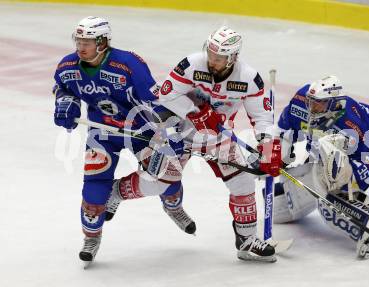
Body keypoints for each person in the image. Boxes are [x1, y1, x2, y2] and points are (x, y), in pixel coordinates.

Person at [53, 16, 194, 266]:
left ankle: (172, 207)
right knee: (94, 190)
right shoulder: (68, 66)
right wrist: (66, 103)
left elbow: (155, 101)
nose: (81, 47)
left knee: (169, 177)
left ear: (103, 42)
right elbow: (62, 87)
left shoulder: (129, 63)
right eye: (79, 41)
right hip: (103, 134)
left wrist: (170, 131)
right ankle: (92, 238)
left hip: (141, 130)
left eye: (87, 41)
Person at [153, 26, 282, 262]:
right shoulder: (192, 64)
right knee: (156, 182)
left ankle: (246, 241)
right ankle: (115, 194)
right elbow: (165, 93)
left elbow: (262, 118)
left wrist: (268, 147)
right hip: (179, 131)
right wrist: (194, 111)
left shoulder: (249, 78)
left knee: (243, 183)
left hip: (216, 136)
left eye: (219, 58)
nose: (212, 61)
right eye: (210, 54)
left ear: (233, 57)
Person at [273, 75, 369, 258]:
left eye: (319, 104)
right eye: (311, 101)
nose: (312, 108)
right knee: (277, 210)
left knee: (331, 191)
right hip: (330, 150)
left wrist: (344, 192)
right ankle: (311, 191)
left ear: (335, 104)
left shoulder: (351, 125)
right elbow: (283, 130)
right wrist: (274, 154)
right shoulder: (301, 100)